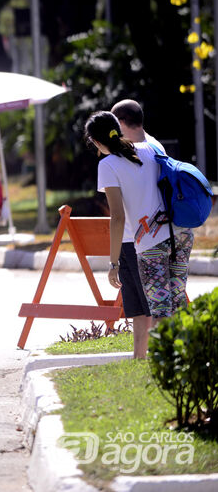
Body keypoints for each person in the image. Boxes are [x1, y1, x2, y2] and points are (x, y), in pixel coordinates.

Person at [84, 111, 193, 358]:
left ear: (97, 141)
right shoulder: (150, 149)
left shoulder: (108, 165)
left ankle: (165, 363)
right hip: (179, 235)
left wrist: (113, 263)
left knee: (159, 309)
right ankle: (174, 358)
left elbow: (118, 217)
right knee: (176, 302)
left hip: (149, 242)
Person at [109, 99, 166, 359]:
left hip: (143, 239)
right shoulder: (151, 147)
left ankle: (157, 358)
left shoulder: (145, 150)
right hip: (135, 237)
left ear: (121, 123)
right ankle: (139, 357)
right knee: (138, 307)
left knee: (152, 306)